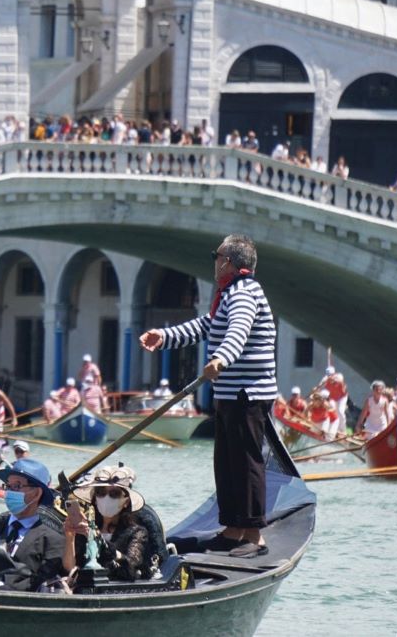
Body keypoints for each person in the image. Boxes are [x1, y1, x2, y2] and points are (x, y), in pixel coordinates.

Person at [140, 234, 276, 558]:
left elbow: (237, 332)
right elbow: (207, 326)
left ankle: (253, 536)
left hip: (247, 393)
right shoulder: (229, 295)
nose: (214, 262)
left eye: (216, 256)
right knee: (226, 464)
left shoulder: (243, 293)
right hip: (231, 394)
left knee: (245, 464)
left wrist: (221, 359)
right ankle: (232, 530)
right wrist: (165, 337)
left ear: (228, 261)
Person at [0, 459, 65, 591]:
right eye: (8, 486)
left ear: (36, 493)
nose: (9, 492)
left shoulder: (53, 540)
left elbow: (41, 583)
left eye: (17, 486)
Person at [62, 466, 156, 583]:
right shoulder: (86, 527)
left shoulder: (137, 532)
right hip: (87, 588)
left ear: (126, 502)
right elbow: (70, 568)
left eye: (114, 494)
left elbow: (130, 566)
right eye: (101, 492)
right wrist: (70, 537)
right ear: (95, 498)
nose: (106, 498)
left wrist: (96, 538)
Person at [317, 366, 348, 435]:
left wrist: (334, 381)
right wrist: (317, 390)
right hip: (333, 398)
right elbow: (319, 387)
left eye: (331, 375)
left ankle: (343, 430)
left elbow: (341, 381)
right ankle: (333, 428)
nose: (329, 377)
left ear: (334, 374)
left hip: (341, 398)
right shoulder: (325, 379)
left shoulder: (339, 377)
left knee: (340, 411)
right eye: (328, 375)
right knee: (332, 410)